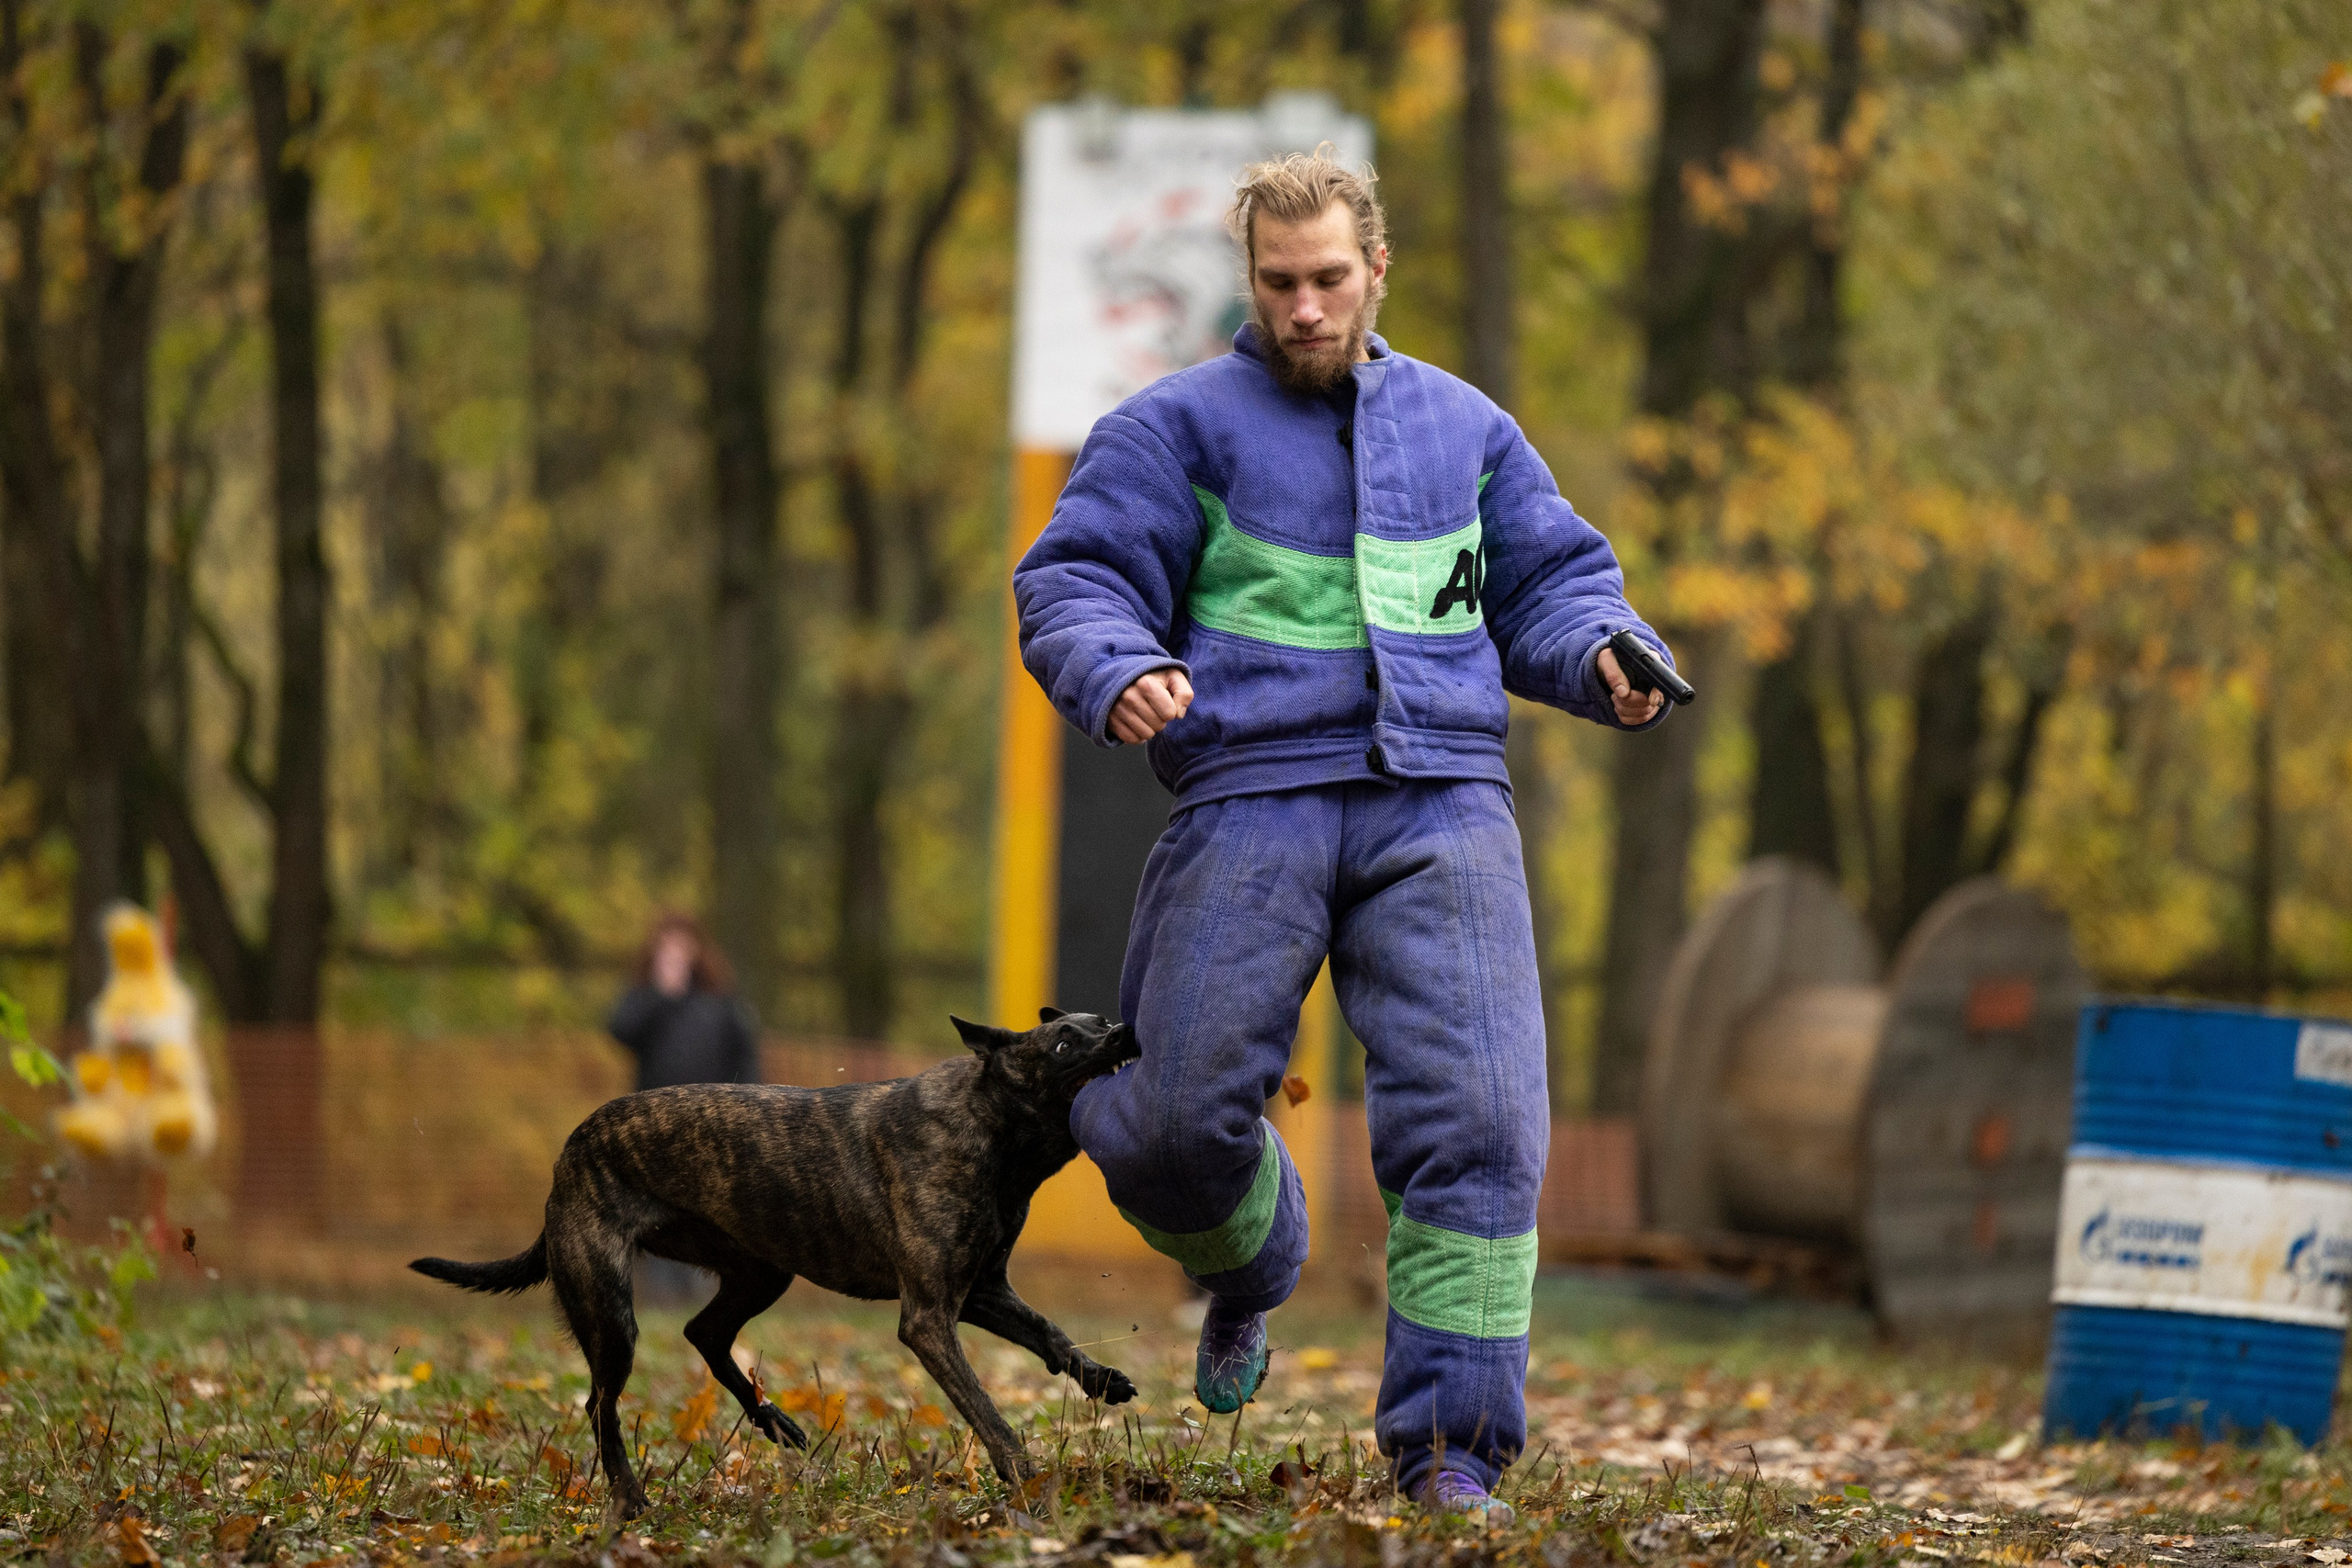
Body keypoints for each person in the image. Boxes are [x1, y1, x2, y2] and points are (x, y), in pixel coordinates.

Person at [1012, 150, 1675, 1523]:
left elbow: (1554, 580)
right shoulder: (1171, 430)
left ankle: (1454, 1453)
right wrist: (1113, 664)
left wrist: (1606, 651)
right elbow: (1073, 576)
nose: (1305, 308)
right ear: (1248, 283)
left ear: (1377, 270)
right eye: (1278, 285)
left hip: (1443, 801)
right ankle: (1257, 1261)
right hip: (1250, 793)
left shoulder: (1467, 430)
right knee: (1177, 1124)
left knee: (1486, 1125)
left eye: (1329, 280)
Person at [606, 913, 763, 1302]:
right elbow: (619, 1030)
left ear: (696, 950)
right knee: (659, 1214)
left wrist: (747, 1115)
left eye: (681, 945)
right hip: (654, 1130)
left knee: (710, 1213)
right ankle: (663, 1299)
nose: (674, 954)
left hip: (713, 1129)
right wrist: (660, 993)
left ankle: (710, 1293)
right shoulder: (647, 999)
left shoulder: (721, 1004)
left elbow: (747, 1059)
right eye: (666, 947)